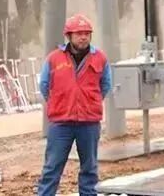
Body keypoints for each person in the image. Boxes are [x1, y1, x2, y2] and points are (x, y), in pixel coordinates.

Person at [37, 13, 113, 196]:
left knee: (89, 168)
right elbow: (44, 85)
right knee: (52, 167)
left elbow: (105, 85)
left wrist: (89, 102)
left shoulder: (100, 58)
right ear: (69, 36)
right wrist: (60, 103)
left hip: (89, 123)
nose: (83, 37)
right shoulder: (54, 59)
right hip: (61, 123)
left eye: (87, 33)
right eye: (79, 33)